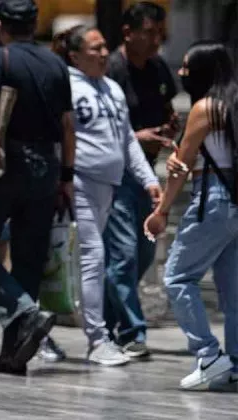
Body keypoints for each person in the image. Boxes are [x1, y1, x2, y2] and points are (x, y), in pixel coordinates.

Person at [0, 0, 74, 375]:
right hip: (46, 168)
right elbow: (68, 125)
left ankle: (24, 311)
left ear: (0, 25)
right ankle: (13, 355)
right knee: (28, 260)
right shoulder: (56, 63)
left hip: (4, 166)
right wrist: (66, 177)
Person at [52, 25, 161, 366]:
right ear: (75, 56)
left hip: (108, 187)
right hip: (79, 184)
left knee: (83, 261)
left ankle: (42, 332)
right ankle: (98, 341)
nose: (103, 54)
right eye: (95, 49)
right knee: (93, 258)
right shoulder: (65, 86)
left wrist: (148, 179)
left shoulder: (112, 88)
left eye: (104, 47)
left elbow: (126, 139)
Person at [148, 41, 238, 391]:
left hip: (215, 198)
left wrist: (161, 211)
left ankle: (208, 355)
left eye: (187, 67)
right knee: (232, 289)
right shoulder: (232, 105)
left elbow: (180, 167)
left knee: (177, 276)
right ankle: (235, 363)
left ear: (204, 70)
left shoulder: (205, 108)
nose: (181, 72)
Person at [102, 1, 178, 360]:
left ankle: (107, 321)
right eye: (149, 33)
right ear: (128, 33)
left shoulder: (158, 68)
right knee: (123, 255)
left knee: (143, 251)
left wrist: (168, 127)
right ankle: (133, 332)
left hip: (146, 175)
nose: (155, 40)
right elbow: (97, 129)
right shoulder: (110, 71)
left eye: (159, 33)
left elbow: (167, 107)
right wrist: (137, 137)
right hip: (115, 175)